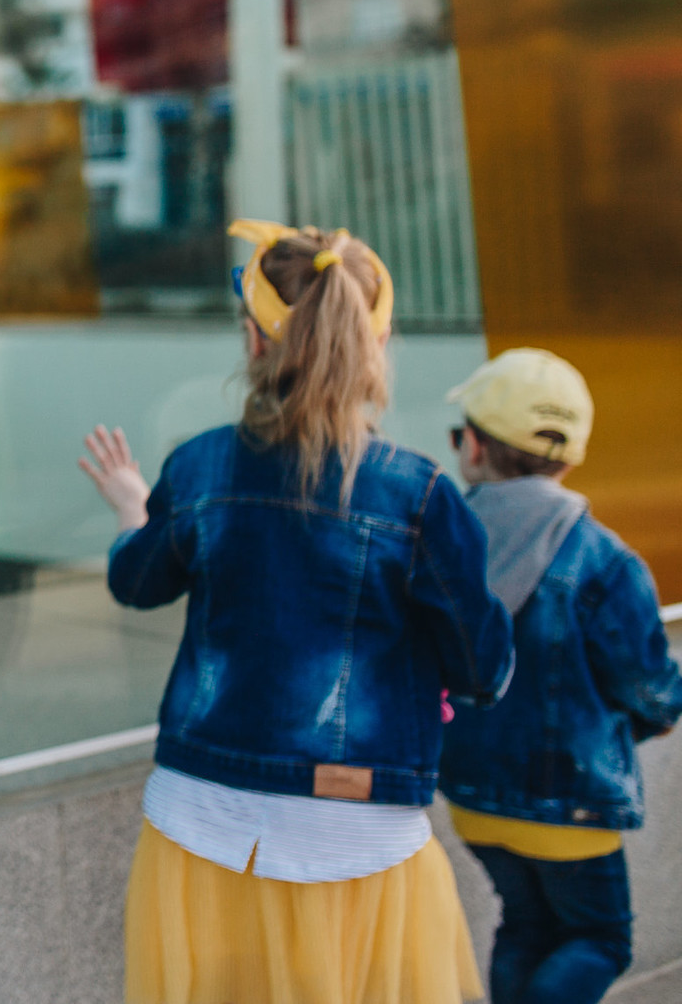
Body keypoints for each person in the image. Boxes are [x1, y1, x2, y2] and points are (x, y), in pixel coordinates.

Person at [78, 219, 514, 1004]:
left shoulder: (199, 465)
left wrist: (131, 509)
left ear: (254, 341)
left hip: (200, 825)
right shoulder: (420, 495)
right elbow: (482, 669)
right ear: (375, 343)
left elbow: (137, 582)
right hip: (359, 833)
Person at [438, 348, 682, 1004]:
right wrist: (645, 724)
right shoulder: (606, 559)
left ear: (476, 450)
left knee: (526, 925)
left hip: (470, 797)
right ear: (569, 458)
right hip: (570, 805)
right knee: (601, 939)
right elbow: (652, 689)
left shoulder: (440, 542)